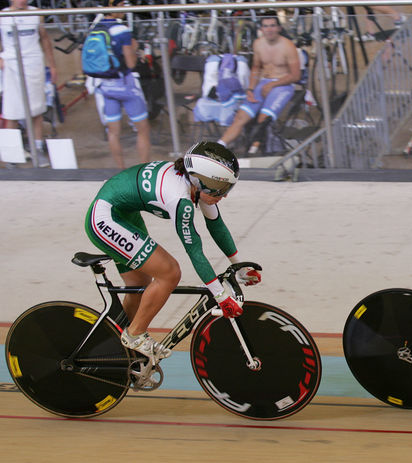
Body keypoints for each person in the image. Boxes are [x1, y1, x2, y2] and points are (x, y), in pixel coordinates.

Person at [84, 141, 261, 363]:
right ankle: (134, 335)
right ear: (200, 181)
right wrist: (220, 295)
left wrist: (240, 266)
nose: (224, 196)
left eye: (228, 188)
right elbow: (194, 250)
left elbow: (216, 227)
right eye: (221, 189)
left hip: (123, 212)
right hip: (105, 218)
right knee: (169, 272)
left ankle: (120, 347)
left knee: (140, 283)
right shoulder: (181, 199)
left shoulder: (195, 185)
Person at [218, 11, 300, 155]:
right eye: (266, 26)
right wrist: (250, 89)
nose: (269, 29)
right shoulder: (258, 44)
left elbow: (295, 75)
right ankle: (219, 147)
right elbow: (256, 68)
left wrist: (272, 85)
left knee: (263, 119)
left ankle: (253, 151)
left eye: (273, 26)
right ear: (261, 29)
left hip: (283, 85)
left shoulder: (288, 46)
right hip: (264, 83)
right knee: (241, 117)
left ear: (279, 28)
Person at [89, 0, 151, 169]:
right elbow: (130, 63)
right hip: (125, 84)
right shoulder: (121, 30)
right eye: (122, 4)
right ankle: (143, 171)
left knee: (113, 132)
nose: (125, 8)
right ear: (112, 7)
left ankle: (120, 171)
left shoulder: (96, 28)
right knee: (143, 129)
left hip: (105, 86)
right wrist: (135, 48)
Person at [0, 0, 57, 167]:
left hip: (34, 64)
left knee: (36, 108)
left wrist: (52, 65)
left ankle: (37, 148)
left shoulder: (36, 13)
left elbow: (45, 39)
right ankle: (12, 153)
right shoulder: (3, 15)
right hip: (11, 64)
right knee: (12, 111)